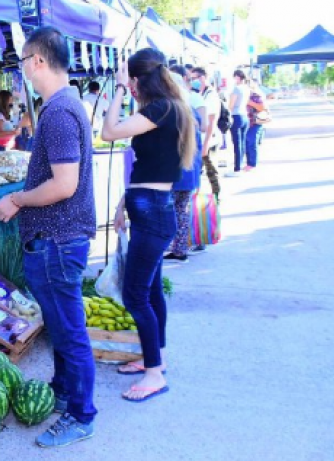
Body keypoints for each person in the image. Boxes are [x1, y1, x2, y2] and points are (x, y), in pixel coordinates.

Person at [0, 26, 97, 448]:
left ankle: (81, 414)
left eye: (22, 61)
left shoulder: (57, 112)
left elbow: (64, 184)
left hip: (57, 239)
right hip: (59, 238)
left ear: (37, 60)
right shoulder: (66, 105)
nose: (22, 70)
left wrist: (18, 199)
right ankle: (66, 392)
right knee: (61, 326)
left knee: (70, 331)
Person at [101, 48, 196, 401]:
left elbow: (109, 132)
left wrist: (118, 89)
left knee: (135, 294)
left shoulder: (161, 109)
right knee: (151, 291)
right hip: (149, 207)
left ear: (140, 78)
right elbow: (149, 167)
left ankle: (154, 374)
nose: (129, 87)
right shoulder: (166, 108)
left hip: (153, 211)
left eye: (131, 81)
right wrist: (122, 203)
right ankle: (155, 358)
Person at [165, 67, 206, 263]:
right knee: (182, 211)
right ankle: (180, 249)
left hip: (175, 172)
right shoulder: (190, 111)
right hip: (189, 171)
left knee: (169, 211)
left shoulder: (171, 112)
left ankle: (171, 247)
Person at [189, 67, 222, 204]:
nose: (193, 81)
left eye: (195, 78)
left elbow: (212, 121)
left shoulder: (211, 95)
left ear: (203, 77)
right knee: (198, 172)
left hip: (209, 139)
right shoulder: (200, 93)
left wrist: (206, 144)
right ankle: (197, 202)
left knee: (211, 171)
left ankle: (216, 199)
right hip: (200, 140)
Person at [226, 69, 251, 177]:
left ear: (237, 77)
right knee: (242, 142)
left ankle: (237, 168)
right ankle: (240, 165)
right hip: (244, 115)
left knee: (237, 143)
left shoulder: (236, 89)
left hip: (236, 116)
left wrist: (227, 111)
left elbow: (231, 105)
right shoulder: (247, 88)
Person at [244, 80, 268, 172]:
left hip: (255, 122)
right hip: (245, 123)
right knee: (246, 144)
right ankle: (248, 163)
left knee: (252, 143)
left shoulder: (256, 96)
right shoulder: (241, 95)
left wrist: (249, 102)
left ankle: (252, 164)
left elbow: (261, 107)